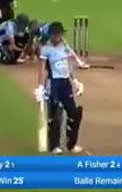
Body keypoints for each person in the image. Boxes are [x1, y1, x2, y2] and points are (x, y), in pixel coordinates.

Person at [34, 22, 84, 155]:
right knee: (55, 116)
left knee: (73, 114)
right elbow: (42, 70)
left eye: (60, 34)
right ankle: (54, 145)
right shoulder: (46, 49)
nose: (58, 37)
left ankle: (71, 143)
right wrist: (40, 87)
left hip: (66, 83)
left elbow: (69, 64)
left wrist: (75, 80)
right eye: (56, 34)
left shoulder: (64, 46)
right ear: (51, 35)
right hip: (54, 84)